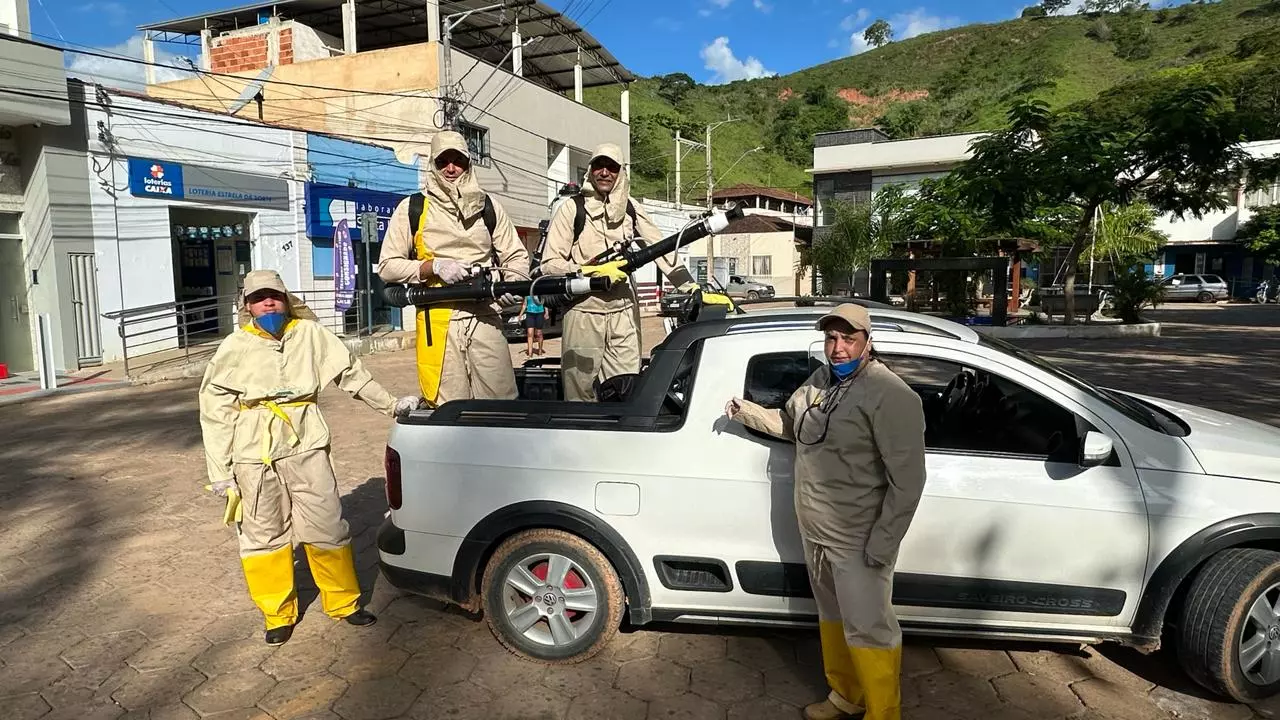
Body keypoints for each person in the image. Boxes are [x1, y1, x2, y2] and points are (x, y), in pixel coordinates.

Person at [724, 303, 927, 720]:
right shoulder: (819, 382)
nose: (838, 348)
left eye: (848, 339)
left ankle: (883, 712)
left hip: (860, 537)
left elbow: (908, 481)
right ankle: (846, 696)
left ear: (868, 343)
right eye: (832, 338)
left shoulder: (891, 395)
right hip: (816, 529)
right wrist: (747, 412)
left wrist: (884, 540)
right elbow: (792, 424)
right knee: (833, 616)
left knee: (870, 626)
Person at [199, 270, 420, 646]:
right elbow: (214, 409)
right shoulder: (233, 347)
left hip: (307, 442)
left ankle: (344, 603)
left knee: (327, 525)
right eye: (259, 298)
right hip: (254, 451)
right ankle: (277, 613)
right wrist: (220, 471)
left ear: (285, 299)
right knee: (263, 535)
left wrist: (392, 405)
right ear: (247, 306)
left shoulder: (312, 335)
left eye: (274, 296)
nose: (268, 303)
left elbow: (353, 376)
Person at [538, 143, 715, 401]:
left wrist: (690, 287)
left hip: (623, 312)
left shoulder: (630, 208)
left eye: (612, 167)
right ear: (590, 170)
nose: (605, 172)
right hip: (584, 311)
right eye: (599, 166)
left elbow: (661, 249)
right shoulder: (572, 208)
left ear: (621, 172)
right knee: (579, 392)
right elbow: (550, 263)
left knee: (627, 388)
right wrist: (591, 271)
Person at [378, 130, 529, 407]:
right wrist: (433, 266)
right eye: (442, 161)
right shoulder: (412, 208)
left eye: (458, 160)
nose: (451, 168)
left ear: (468, 164)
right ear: (432, 165)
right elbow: (387, 267)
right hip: (437, 318)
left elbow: (517, 256)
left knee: (502, 403)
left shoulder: (489, 206)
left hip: (485, 315)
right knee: (448, 407)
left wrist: (511, 285)